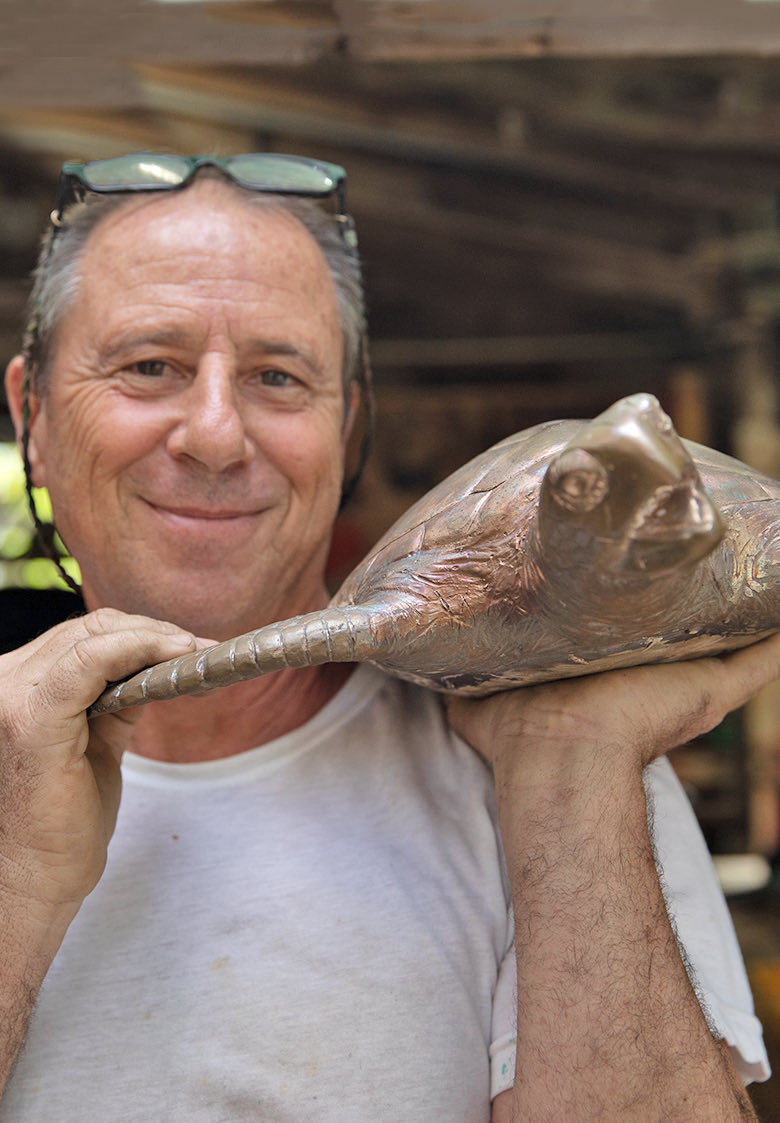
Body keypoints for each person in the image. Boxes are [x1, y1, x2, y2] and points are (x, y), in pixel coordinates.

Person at [0, 153, 777, 1123]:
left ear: (348, 422)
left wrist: (572, 768)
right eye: (148, 365)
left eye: (278, 377)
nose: (213, 433)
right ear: (31, 412)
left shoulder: (557, 760)